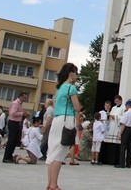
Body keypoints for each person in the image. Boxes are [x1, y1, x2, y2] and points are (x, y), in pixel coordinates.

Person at [46, 62, 81, 190]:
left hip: (57, 120)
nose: (76, 75)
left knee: (52, 152)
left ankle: (50, 184)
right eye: (75, 72)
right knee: (60, 153)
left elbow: (56, 106)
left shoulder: (59, 88)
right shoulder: (71, 88)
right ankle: (54, 185)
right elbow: (77, 107)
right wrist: (79, 108)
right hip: (67, 120)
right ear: (71, 73)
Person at [3, 91, 27, 163]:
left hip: (16, 123)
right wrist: (22, 113)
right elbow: (12, 113)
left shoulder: (20, 104)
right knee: (11, 141)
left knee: (14, 141)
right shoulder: (16, 103)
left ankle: (10, 156)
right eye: (24, 97)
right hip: (13, 122)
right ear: (20, 96)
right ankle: (6, 157)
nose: (25, 99)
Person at [115, 100, 131, 168]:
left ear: (127, 106)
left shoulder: (126, 113)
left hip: (126, 129)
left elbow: (123, 124)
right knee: (130, 147)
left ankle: (122, 163)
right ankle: (129, 163)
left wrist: (120, 133)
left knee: (123, 147)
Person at [102, 95, 124, 165]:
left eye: (117, 101)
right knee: (109, 144)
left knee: (116, 145)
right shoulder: (114, 108)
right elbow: (110, 115)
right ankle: (108, 160)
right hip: (111, 127)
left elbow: (123, 118)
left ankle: (115, 161)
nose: (116, 102)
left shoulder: (123, 108)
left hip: (117, 128)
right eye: (115, 101)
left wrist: (114, 116)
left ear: (120, 100)